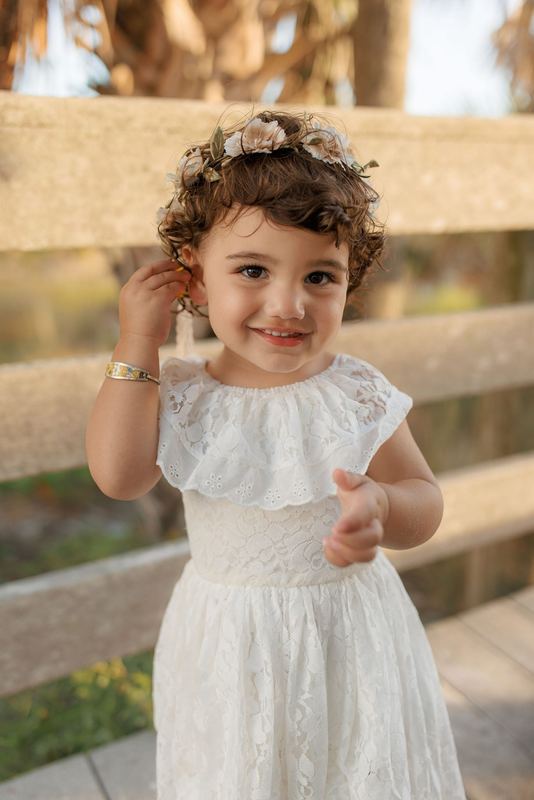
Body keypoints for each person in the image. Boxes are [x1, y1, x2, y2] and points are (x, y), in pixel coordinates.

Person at [85, 109, 466, 799]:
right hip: (232, 648)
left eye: (320, 277)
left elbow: (426, 499)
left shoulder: (353, 392)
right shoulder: (180, 395)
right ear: (194, 281)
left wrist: (383, 504)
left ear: (351, 278)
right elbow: (118, 476)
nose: (287, 304)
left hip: (352, 639)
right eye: (253, 270)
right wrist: (136, 342)